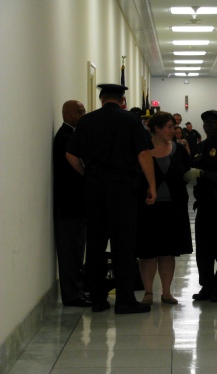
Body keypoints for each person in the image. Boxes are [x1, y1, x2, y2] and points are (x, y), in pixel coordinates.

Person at [66, 83, 157, 314]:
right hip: (122, 187)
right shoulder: (131, 121)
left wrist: (88, 175)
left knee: (95, 243)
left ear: (101, 98)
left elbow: (71, 155)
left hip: (94, 188)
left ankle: (98, 299)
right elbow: (144, 153)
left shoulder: (86, 121)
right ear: (122, 100)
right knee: (123, 244)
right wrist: (152, 185)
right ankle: (125, 299)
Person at [136, 112, 193, 305]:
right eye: (169, 126)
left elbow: (187, 172)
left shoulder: (178, 149)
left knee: (168, 251)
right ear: (157, 128)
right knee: (148, 251)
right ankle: (149, 292)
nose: (173, 130)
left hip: (173, 207)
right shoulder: (143, 150)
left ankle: (167, 292)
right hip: (148, 207)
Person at [184, 110, 217, 303]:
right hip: (204, 206)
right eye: (205, 123)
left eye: (212, 123)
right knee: (204, 251)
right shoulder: (199, 148)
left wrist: (202, 173)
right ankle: (206, 286)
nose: (208, 126)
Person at [53, 100, 90, 307]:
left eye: (84, 111)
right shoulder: (65, 137)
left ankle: (78, 291)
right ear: (66, 114)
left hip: (75, 205)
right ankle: (72, 295)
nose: (82, 114)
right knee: (70, 253)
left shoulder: (73, 134)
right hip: (68, 206)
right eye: (78, 112)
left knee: (76, 251)